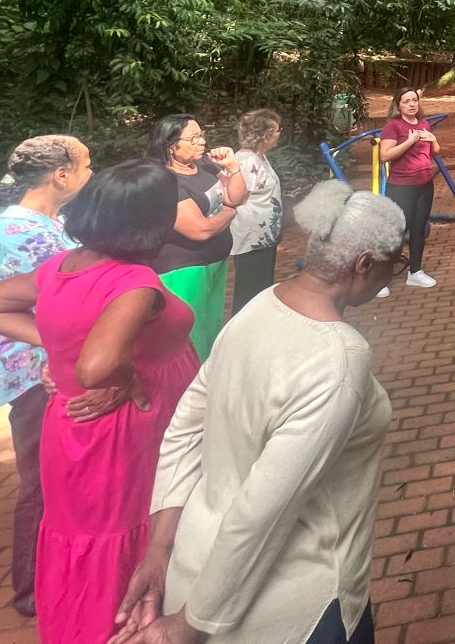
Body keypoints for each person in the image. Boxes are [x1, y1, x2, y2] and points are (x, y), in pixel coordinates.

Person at [109, 181, 402, 644]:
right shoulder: (340, 360)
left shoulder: (257, 307)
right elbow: (264, 509)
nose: (393, 274)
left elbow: (184, 429)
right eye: (394, 265)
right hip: (295, 606)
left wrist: (159, 548)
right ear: (365, 263)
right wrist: (188, 625)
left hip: (195, 565)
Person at [0, 160, 200, 644]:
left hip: (73, 430)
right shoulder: (134, 283)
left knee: (84, 536)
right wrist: (131, 379)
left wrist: (54, 345)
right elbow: (96, 367)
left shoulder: (61, 267)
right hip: (125, 429)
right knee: (130, 532)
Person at [0, 135, 93, 617]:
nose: (90, 173)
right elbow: (65, 301)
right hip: (34, 374)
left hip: (44, 365)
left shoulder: (44, 222)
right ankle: (30, 588)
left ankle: (54, 571)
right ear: (60, 175)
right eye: (86, 164)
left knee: (54, 475)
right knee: (41, 481)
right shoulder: (24, 232)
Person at [147, 115, 248, 359]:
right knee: (189, 333)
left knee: (210, 325)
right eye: (194, 138)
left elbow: (237, 197)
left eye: (202, 135)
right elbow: (200, 230)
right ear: (171, 145)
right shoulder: (166, 181)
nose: (202, 142)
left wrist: (233, 167)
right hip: (184, 270)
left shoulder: (205, 167)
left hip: (214, 262)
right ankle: (187, 385)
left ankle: (207, 375)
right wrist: (228, 213)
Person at [380, 87, 441, 288]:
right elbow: (385, 156)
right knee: (396, 231)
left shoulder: (424, 124)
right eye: (406, 101)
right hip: (401, 187)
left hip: (424, 184)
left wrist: (434, 140)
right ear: (398, 105)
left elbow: (433, 153)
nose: (412, 104)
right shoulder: (393, 126)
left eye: (414, 100)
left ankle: (415, 271)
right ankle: (379, 279)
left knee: (418, 228)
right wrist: (409, 140)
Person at [229, 109, 284, 314]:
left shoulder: (260, 158)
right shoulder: (246, 161)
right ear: (265, 135)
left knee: (261, 288)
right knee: (249, 292)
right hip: (251, 238)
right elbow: (238, 197)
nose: (280, 133)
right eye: (277, 130)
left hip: (263, 237)